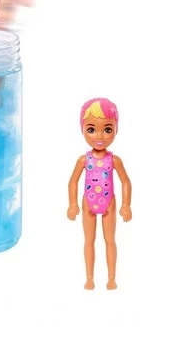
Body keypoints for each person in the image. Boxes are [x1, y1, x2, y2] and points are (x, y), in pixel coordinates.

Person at [67, 98, 132, 290]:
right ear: (82, 129)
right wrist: (72, 203)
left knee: (110, 241)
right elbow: (73, 181)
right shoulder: (83, 160)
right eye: (91, 129)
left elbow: (126, 181)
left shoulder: (114, 160)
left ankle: (111, 278)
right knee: (89, 241)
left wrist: (126, 204)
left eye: (108, 129)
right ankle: (89, 278)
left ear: (116, 129)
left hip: (109, 203)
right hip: (88, 203)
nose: (100, 135)